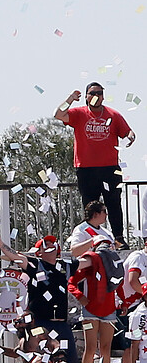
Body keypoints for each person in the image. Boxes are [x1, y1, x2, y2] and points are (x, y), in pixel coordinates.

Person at [0, 233, 80, 363]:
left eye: (53, 243)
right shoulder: (35, 264)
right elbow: (16, 257)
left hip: (62, 324)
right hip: (40, 324)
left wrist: (98, 244)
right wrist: (1, 245)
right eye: (46, 244)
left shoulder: (65, 266)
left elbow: (87, 260)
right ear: (39, 252)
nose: (50, 246)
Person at [55, 83, 135, 246]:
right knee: (90, 206)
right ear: (86, 96)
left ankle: (118, 238)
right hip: (86, 169)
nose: (96, 96)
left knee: (113, 203)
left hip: (110, 168)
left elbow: (127, 131)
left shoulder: (113, 114)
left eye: (99, 93)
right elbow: (58, 114)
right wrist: (70, 99)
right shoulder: (78, 113)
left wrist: (131, 136)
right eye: (92, 93)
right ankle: (91, 240)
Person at [68, 235, 123, 363]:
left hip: (109, 310)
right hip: (90, 311)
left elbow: (117, 283)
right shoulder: (91, 262)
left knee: (105, 348)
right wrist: (80, 297)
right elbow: (71, 282)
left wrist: (124, 302)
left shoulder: (112, 264)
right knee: (91, 347)